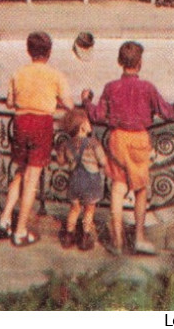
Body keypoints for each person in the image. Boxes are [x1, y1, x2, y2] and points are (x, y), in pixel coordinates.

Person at [82, 40, 174, 255]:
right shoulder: (147, 88)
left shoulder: (111, 88)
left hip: (117, 139)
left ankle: (117, 242)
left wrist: (86, 101)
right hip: (139, 140)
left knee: (118, 188)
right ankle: (138, 237)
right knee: (140, 189)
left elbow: (97, 115)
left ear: (120, 62)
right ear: (140, 64)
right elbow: (170, 112)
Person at [0, 31, 73, 247]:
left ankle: (5, 219)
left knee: (20, 172)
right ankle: (20, 231)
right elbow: (68, 103)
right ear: (49, 52)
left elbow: (10, 103)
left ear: (29, 51)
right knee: (32, 179)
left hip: (20, 123)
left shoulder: (18, 73)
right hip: (41, 125)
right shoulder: (55, 75)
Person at [57, 107, 111, 251]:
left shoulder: (66, 144)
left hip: (74, 180)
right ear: (82, 127)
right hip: (91, 181)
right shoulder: (93, 143)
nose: (90, 124)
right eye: (88, 122)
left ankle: (68, 236)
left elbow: (60, 161)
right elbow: (103, 161)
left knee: (74, 209)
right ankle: (85, 237)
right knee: (89, 210)